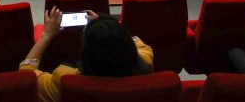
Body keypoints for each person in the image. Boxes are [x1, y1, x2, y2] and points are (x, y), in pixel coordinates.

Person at [19, 7, 153, 102]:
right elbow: (132, 41)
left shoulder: (65, 80)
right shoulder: (146, 60)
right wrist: (106, 26)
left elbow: (26, 74)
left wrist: (46, 35)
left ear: (85, 50)